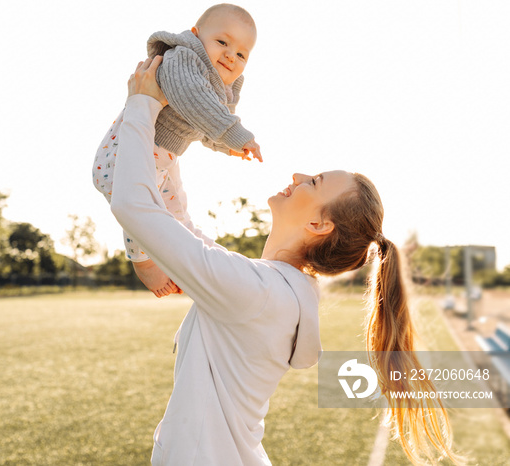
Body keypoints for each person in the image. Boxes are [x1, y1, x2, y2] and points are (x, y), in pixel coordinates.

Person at [110, 57, 461, 465]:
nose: (297, 176)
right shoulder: (274, 289)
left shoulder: (256, 292)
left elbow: (134, 205)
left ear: (318, 223)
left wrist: (141, 105)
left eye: (314, 182)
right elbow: (179, 225)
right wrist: (166, 144)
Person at [93, 3, 262, 298]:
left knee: (177, 213)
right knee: (146, 208)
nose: (230, 56)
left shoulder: (222, 86)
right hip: (127, 154)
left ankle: (190, 260)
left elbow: (204, 125)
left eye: (241, 54)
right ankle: (144, 263)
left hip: (164, 157)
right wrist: (236, 134)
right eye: (222, 42)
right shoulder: (184, 59)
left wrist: (226, 146)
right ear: (196, 36)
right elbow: (194, 100)